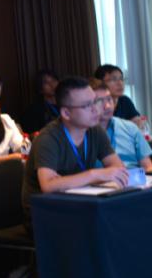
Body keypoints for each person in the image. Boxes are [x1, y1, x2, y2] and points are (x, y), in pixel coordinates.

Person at [22, 77, 129, 228]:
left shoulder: (95, 130)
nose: (95, 109)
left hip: (82, 204)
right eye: (86, 105)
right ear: (66, 113)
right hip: (45, 214)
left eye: (95, 101)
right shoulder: (48, 138)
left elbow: (118, 169)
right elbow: (49, 186)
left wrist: (65, 182)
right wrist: (94, 175)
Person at [91, 80, 152, 171]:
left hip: (134, 178)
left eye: (109, 99)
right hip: (101, 178)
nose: (107, 106)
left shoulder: (130, 128)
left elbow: (148, 167)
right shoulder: (83, 134)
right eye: (99, 101)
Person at [20, 69, 60, 135]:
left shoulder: (68, 103)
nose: (52, 85)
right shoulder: (33, 110)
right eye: (46, 82)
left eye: (54, 80)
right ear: (40, 89)